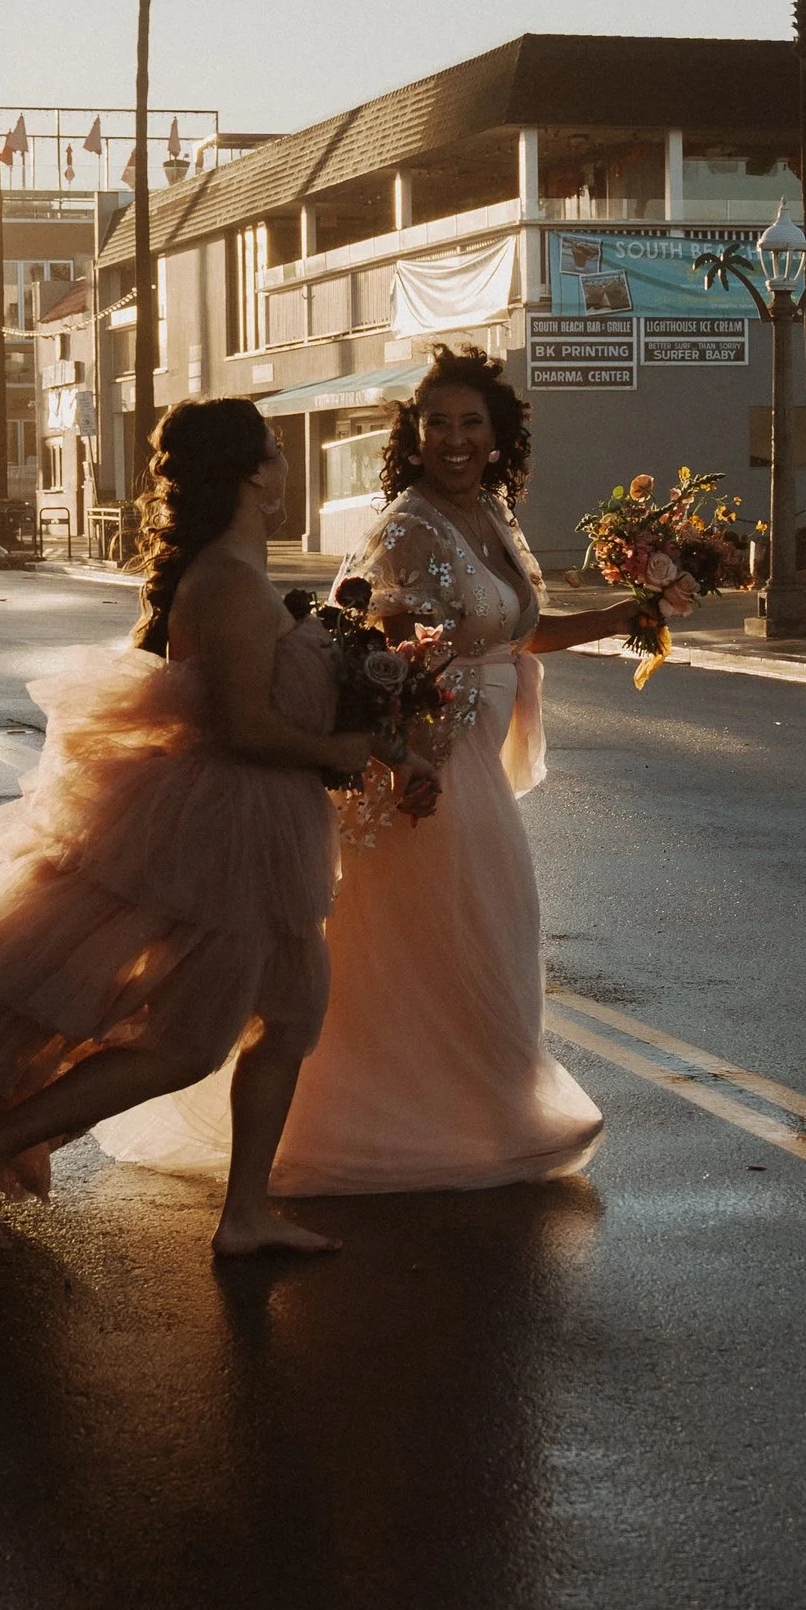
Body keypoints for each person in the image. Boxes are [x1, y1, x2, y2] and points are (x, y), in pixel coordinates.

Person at [0, 397, 375, 1268]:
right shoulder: (232, 584)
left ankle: (246, 1214)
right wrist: (344, 748)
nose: (285, 466)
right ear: (253, 472)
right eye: (276, 453)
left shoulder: (237, 574)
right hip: (241, 831)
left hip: (262, 826)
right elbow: (242, 728)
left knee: (287, 1020)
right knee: (190, 1043)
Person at [267, 344, 690, 1191]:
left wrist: (627, 614)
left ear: (499, 437)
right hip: (432, 760)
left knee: (483, 935)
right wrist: (414, 759)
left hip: (476, 764)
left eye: (471, 424)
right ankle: (418, 1121)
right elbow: (385, 657)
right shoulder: (408, 528)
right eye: (438, 425)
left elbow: (513, 634)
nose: (454, 439)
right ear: (414, 437)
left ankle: (469, 1113)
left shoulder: (490, 515)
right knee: (449, 941)